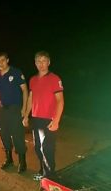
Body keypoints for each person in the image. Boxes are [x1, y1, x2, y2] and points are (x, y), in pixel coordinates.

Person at [23, 51, 64, 180]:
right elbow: (30, 98)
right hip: (36, 118)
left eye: (44, 61)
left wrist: (56, 120)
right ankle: (42, 171)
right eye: (38, 61)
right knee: (37, 147)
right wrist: (25, 115)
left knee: (47, 148)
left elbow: (60, 101)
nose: (41, 64)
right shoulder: (33, 80)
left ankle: (49, 177)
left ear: (49, 62)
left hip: (49, 119)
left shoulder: (54, 79)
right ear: (35, 63)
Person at [0, 52, 28, 174]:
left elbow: (25, 90)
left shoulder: (16, 72)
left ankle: (22, 161)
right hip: (1, 110)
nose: (1, 63)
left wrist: (24, 109)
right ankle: (9, 159)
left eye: (3, 60)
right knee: (3, 134)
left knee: (17, 134)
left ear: (8, 60)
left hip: (15, 109)